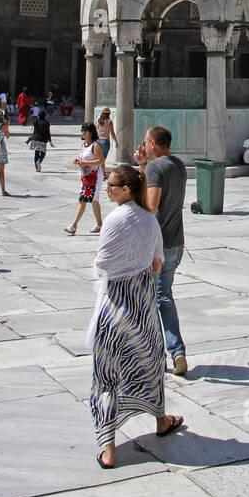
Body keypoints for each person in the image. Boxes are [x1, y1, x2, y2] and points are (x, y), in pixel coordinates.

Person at [87, 162, 183, 470]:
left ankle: (109, 449)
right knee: (150, 361)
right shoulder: (149, 220)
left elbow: (101, 263)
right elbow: (157, 263)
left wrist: (121, 269)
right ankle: (161, 421)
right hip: (143, 302)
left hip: (116, 301)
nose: (107, 187)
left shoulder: (115, 220)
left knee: (107, 372)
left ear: (125, 190)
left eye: (111, 184)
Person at [136, 125, 188, 375]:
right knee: (163, 296)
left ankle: (155, 355)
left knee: (146, 299)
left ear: (154, 144)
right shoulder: (178, 165)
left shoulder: (157, 168)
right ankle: (176, 351)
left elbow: (153, 205)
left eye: (146, 141)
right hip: (177, 242)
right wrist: (143, 166)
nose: (143, 144)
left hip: (158, 246)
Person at [65, 123, 105, 235]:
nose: (83, 133)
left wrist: (85, 163)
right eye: (82, 131)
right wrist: (78, 160)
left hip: (94, 177)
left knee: (83, 199)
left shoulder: (95, 145)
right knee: (94, 200)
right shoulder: (83, 145)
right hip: (85, 177)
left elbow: (100, 160)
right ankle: (99, 223)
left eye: (85, 131)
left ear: (91, 133)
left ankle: (74, 225)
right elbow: (82, 157)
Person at [29, 106, 53, 172]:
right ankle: (39, 161)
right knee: (43, 153)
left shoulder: (35, 121)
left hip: (35, 139)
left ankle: (37, 167)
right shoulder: (46, 123)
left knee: (36, 153)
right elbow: (48, 133)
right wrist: (50, 141)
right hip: (43, 139)